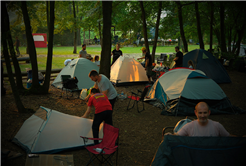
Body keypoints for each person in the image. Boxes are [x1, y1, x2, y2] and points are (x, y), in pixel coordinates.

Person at [165, 102, 231, 137]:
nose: (202, 116)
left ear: (209, 113)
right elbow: (178, 136)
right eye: (200, 113)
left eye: (205, 113)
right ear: (195, 113)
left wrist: (241, 139)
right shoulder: (189, 126)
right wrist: (170, 135)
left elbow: (229, 137)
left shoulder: (217, 126)